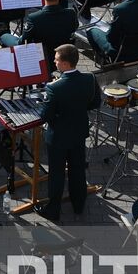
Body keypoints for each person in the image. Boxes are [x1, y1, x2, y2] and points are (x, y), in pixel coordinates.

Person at [39, 45, 99, 223]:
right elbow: (94, 103)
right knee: (77, 169)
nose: (54, 61)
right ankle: (78, 203)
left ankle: (53, 210)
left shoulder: (54, 88)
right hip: (79, 131)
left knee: (56, 173)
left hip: (58, 137)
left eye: (56, 59)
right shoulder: (90, 78)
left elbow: (46, 116)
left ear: (65, 64)